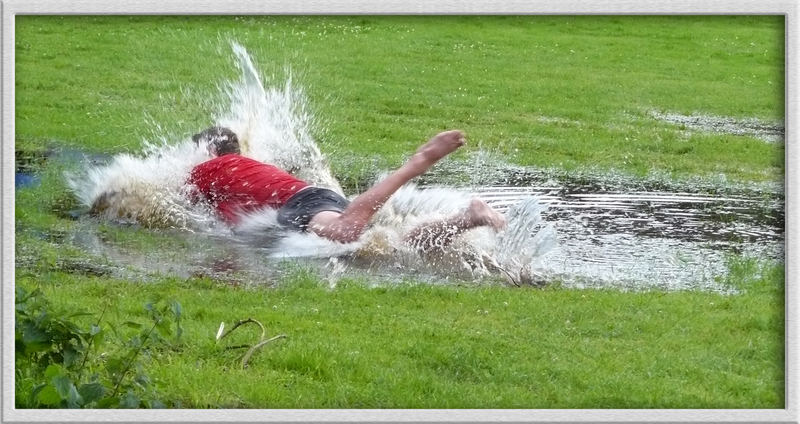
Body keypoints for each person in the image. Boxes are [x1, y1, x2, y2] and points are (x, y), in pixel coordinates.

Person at [188, 126, 506, 250]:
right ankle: (467, 218)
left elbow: (173, 202)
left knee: (346, 231)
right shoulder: (242, 168)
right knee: (392, 247)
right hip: (312, 200)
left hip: (303, 203)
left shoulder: (208, 167)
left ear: (208, 152)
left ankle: (419, 161)